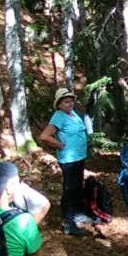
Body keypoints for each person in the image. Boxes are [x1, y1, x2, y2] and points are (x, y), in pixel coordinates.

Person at [38, 88, 89, 236]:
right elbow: (45, 136)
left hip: (79, 157)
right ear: (59, 104)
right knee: (69, 189)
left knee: (78, 186)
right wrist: (60, 145)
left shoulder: (73, 115)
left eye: (71, 101)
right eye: (66, 101)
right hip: (69, 159)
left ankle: (77, 214)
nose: (70, 103)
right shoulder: (59, 117)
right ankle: (68, 222)